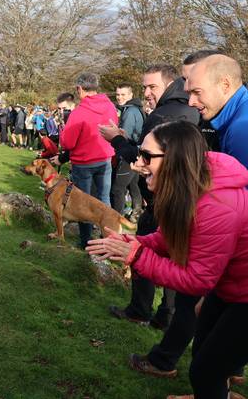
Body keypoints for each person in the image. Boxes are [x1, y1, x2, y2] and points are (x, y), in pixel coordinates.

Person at [87, 122, 248, 399]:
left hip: (243, 294)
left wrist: (137, 256)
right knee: (204, 352)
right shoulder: (192, 186)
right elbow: (168, 239)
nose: (138, 164)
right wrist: (133, 243)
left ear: (174, 159)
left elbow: (198, 278)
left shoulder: (218, 206)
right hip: (230, 286)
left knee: (205, 371)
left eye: (146, 156)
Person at [101, 64, 199, 332]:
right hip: (185, 200)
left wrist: (118, 141)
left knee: (148, 249)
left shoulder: (163, 115)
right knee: (175, 253)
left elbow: (145, 160)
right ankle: (166, 314)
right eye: (143, 87)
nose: (145, 93)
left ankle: (139, 309)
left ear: (169, 83)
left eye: (151, 86)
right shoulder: (193, 109)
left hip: (165, 200)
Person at [59, 72, 116, 249]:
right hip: (105, 158)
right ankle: (108, 238)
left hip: (84, 162)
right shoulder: (110, 107)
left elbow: (68, 142)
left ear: (80, 89)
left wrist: (63, 131)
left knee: (83, 203)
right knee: (104, 199)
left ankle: (86, 241)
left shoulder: (79, 113)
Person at [186, 54, 248, 168]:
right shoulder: (236, 116)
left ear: (225, 85)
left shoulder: (242, 128)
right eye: (189, 94)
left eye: (197, 92)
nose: (191, 102)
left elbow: (241, 184)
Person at [111, 84, 145, 216]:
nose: (119, 97)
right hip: (136, 151)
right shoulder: (134, 108)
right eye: (118, 94)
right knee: (133, 184)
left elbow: (125, 135)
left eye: (123, 94)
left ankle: (116, 218)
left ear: (130, 95)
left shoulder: (130, 112)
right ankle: (137, 210)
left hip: (129, 153)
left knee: (118, 189)